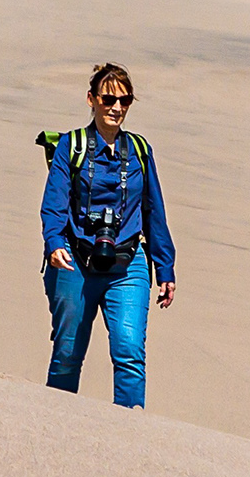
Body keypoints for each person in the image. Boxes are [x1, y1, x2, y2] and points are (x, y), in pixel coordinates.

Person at [38, 63, 175, 408]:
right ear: (91, 100)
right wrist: (54, 244)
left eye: (125, 100)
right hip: (75, 261)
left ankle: (129, 433)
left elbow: (154, 212)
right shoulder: (73, 146)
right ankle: (55, 422)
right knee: (68, 351)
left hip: (127, 264)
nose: (116, 108)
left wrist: (165, 268)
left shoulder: (140, 152)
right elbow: (53, 204)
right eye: (108, 99)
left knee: (129, 351)